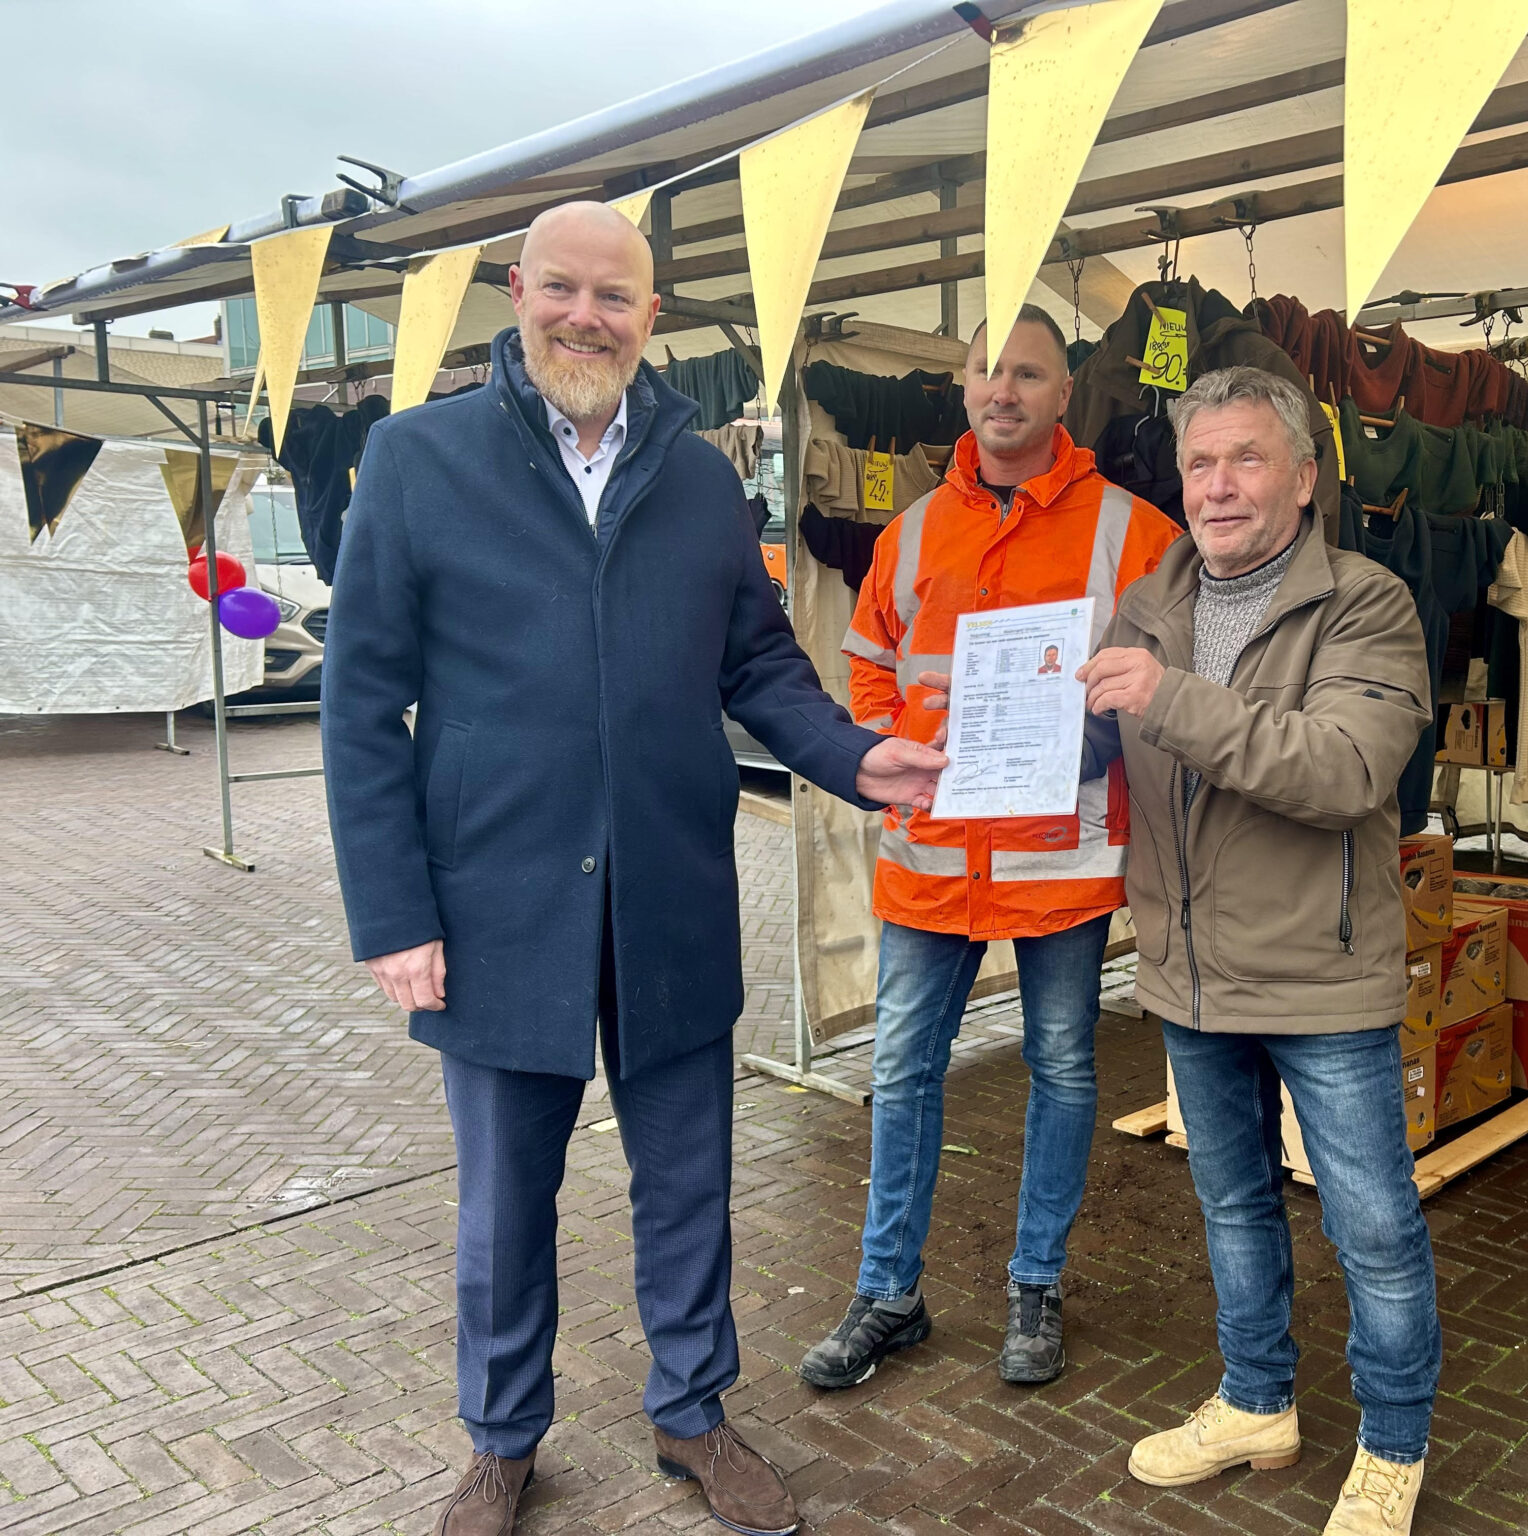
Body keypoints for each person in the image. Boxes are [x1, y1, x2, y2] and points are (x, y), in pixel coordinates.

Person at [321, 202, 944, 1536]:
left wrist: (858, 759)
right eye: (564, 290)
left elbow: (759, 663)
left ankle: (693, 1413)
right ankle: (500, 1440)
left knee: (689, 1184)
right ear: (517, 289)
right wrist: (392, 915)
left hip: (667, 896)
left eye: (616, 297)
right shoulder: (417, 459)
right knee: (503, 1202)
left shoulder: (705, 476)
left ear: (653, 316)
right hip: (494, 907)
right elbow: (359, 703)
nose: (587, 317)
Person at [1075, 367, 1439, 1536]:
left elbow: (1340, 772)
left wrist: (1164, 697)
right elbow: (1121, 755)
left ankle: (1391, 1446)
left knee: (1370, 1228)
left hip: (1320, 976)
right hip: (1186, 970)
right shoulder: (1147, 603)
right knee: (1231, 1206)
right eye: (1198, 463)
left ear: (1300, 474)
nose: (1217, 486)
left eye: (1243, 459)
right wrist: (1031, 734)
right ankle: (1255, 1402)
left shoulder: (1367, 603)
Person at [800, 303, 1180, 1391]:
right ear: (961, 388)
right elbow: (867, 659)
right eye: (983, 371)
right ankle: (887, 1294)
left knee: (1061, 1068)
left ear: (1065, 394)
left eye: (1026, 372)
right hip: (930, 853)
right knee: (902, 1070)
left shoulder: (1130, 531)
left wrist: (1094, 735)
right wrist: (902, 750)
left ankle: (1036, 1283)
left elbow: (1168, 679)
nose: (1000, 390)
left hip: (1056, 861)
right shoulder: (912, 530)